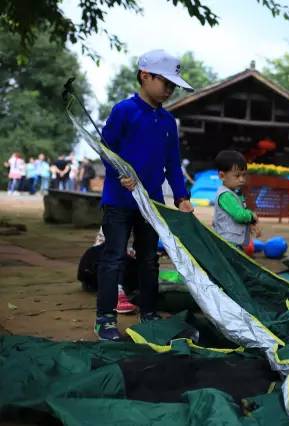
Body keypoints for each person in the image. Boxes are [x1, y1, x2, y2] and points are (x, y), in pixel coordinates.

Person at [94, 49, 195, 341]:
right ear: (145, 76)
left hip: (151, 203)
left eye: (173, 85)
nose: (169, 89)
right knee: (113, 258)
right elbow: (106, 150)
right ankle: (105, 318)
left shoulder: (167, 122)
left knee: (150, 259)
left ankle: (148, 313)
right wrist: (118, 174)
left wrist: (181, 197)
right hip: (119, 200)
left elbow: (173, 164)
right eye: (165, 82)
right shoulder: (124, 111)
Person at [213, 150, 260, 249]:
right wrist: (251, 216)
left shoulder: (235, 192)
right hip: (228, 243)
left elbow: (242, 211)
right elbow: (239, 215)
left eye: (244, 175)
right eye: (237, 176)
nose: (242, 179)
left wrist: (250, 224)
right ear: (222, 176)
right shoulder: (225, 195)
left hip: (234, 242)